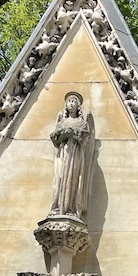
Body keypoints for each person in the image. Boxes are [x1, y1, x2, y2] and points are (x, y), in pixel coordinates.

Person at [50, 91, 95, 219]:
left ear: (78, 105)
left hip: (75, 154)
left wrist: (73, 135)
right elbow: (54, 139)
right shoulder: (61, 122)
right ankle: (57, 207)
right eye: (69, 101)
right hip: (62, 154)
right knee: (59, 179)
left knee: (72, 179)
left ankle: (71, 208)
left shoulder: (82, 123)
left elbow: (84, 139)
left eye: (74, 101)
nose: (71, 104)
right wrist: (63, 134)